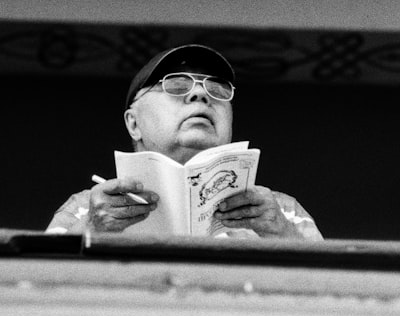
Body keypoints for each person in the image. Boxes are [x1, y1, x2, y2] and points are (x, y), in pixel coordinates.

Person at [46, 44, 321, 239]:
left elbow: (329, 293)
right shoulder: (88, 208)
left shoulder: (281, 211)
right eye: (176, 86)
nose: (200, 94)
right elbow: (41, 289)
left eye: (217, 90)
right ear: (133, 123)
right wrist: (92, 229)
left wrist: (281, 233)